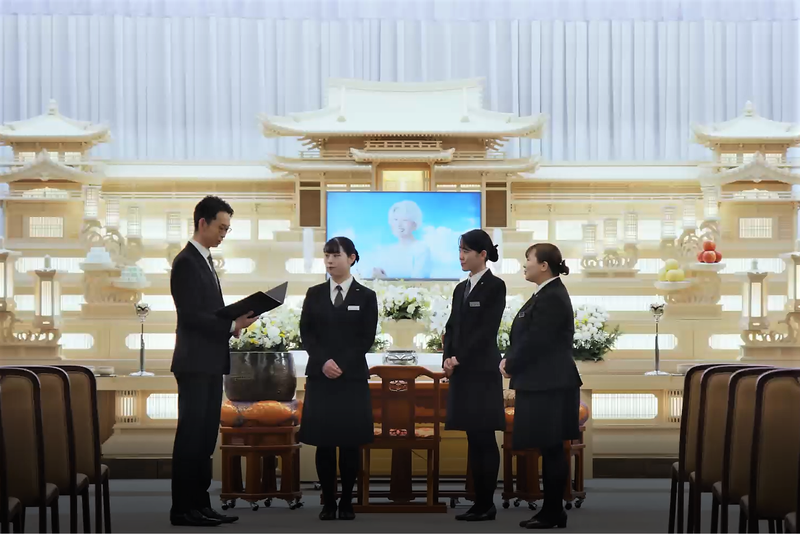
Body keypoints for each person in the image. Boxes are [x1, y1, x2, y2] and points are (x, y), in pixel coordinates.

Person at [169, 196, 258, 527]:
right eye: (221, 227)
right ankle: (183, 509)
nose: (223, 234)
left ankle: (200, 503)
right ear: (202, 223)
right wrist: (232, 324)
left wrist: (234, 320)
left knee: (205, 438)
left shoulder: (205, 260)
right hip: (194, 363)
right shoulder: (186, 262)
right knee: (191, 437)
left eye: (227, 229)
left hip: (208, 361)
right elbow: (192, 316)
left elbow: (209, 313)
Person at [500, 243, 581, 530]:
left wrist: (511, 363)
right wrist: (510, 359)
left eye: (528, 259)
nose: (525, 265)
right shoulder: (544, 294)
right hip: (544, 382)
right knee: (549, 448)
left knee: (552, 448)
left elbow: (538, 340)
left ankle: (553, 512)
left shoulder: (552, 296)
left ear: (544, 265)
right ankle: (551, 511)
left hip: (550, 384)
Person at [298, 236, 379, 521]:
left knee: (349, 442)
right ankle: (328, 501)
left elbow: (366, 337)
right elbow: (306, 333)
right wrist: (324, 362)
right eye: (327, 256)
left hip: (351, 378)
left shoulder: (366, 296)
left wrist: (342, 363)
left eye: (336, 256)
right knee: (324, 442)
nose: (330, 261)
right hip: (321, 377)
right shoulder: (314, 293)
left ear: (352, 258)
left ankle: (347, 501)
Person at [442, 229, 506, 521]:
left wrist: (460, 358)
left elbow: (485, 331)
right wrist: (447, 358)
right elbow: (451, 327)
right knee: (473, 436)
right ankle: (479, 502)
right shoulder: (460, 288)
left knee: (484, 436)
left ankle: (486, 503)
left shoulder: (495, 286)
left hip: (481, 371)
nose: (461, 256)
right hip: (461, 372)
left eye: (466, 251)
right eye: (459, 250)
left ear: (483, 254)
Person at [372, 200, 432, 279]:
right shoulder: (387, 251)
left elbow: (418, 283)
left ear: (415, 224)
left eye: (405, 220)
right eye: (395, 219)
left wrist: (384, 280)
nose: (399, 224)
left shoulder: (421, 249)